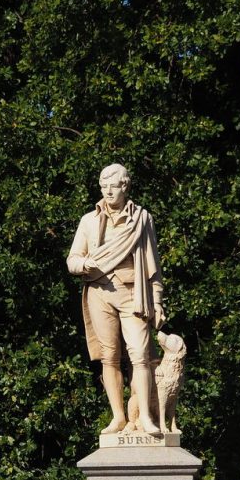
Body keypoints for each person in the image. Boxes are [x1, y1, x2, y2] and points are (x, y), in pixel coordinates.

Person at [67, 163, 165, 435]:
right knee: (108, 357)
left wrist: (156, 301)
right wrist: (84, 265)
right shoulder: (88, 221)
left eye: (113, 185)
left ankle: (145, 416)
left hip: (133, 293)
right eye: (103, 185)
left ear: (125, 186)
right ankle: (118, 417)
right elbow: (72, 260)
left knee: (140, 355)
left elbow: (153, 265)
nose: (108, 191)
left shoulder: (142, 219)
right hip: (99, 293)